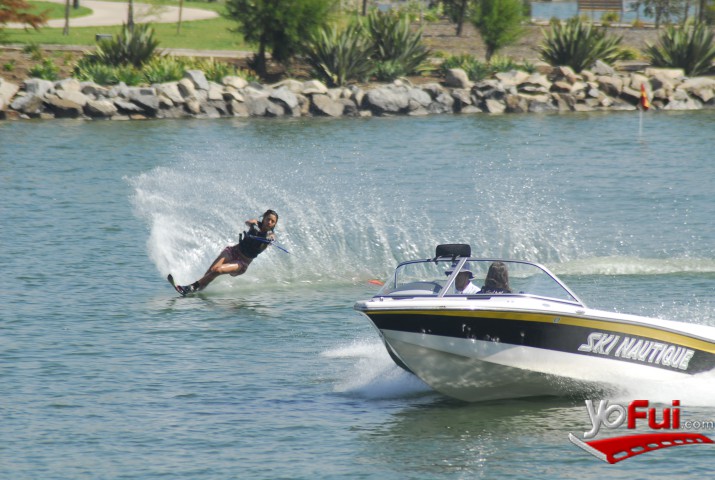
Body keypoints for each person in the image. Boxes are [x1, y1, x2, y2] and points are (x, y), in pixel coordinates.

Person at [172, 209, 279, 295]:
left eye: (272, 221)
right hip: (232, 251)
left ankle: (189, 288)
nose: (269, 222)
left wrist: (269, 239)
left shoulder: (270, 235)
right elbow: (249, 222)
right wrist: (252, 225)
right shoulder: (256, 223)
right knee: (210, 272)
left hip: (242, 263)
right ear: (264, 218)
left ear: (274, 224)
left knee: (217, 270)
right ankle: (195, 290)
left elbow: (272, 238)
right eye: (268, 219)